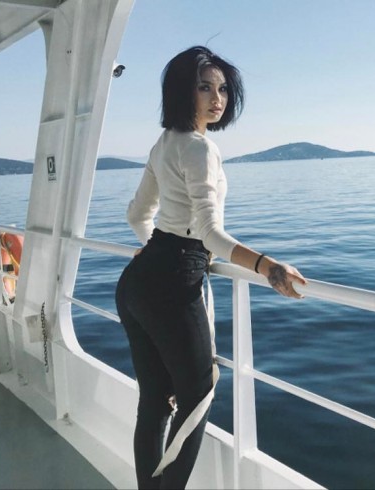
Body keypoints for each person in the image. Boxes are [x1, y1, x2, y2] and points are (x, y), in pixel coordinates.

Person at [115, 45, 307, 489]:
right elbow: (209, 234)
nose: (217, 98)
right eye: (205, 88)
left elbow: (137, 215)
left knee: (154, 402)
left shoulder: (164, 143)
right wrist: (267, 267)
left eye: (222, 89)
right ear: (183, 91)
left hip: (137, 283)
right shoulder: (200, 148)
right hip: (173, 281)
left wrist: (151, 248)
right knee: (198, 394)